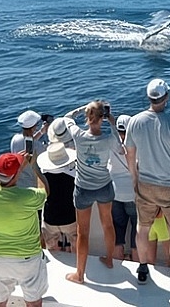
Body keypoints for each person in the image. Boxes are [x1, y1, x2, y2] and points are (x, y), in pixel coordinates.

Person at [125, 78, 170, 292]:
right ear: (166, 97)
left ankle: (143, 270)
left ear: (149, 98)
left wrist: (134, 178)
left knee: (143, 227)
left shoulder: (134, 122)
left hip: (145, 183)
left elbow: (130, 154)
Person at [0, 152, 49, 307]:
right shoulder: (28, 197)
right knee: (34, 303)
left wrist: (18, 168)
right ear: (17, 174)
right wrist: (33, 167)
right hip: (27, 259)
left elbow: (2, 180)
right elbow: (44, 191)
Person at [62, 100, 119, 284]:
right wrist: (111, 120)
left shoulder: (78, 135)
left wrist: (81, 109)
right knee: (108, 225)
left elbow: (67, 117)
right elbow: (120, 145)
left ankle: (79, 275)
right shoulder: (108, 139)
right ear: (102, 117)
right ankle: (109, 260)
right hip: (104, 187)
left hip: (83, 189)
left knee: (83, 232)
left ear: (87, 118)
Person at [37, 140, 78, 253]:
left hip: (51, 218)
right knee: (76, 245)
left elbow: (41, 196)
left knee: (53, 249)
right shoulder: (74, 175)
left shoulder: (43, 177)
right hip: (70, 217)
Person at [110, 114, 137, 260]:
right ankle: (137, 259)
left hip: (115, 193)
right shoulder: (137, 145)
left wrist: (111, 121)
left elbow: (114, 133)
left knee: (118, 229)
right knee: (136, 228)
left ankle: (118, 259)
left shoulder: (110, 143)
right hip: (132, 194)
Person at [10, 110, 50, 188]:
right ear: (34, 126)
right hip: (32, 183)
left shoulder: (15, 139)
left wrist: (41, 132)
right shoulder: (38, 146)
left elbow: (29, 142)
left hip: (18, 180)